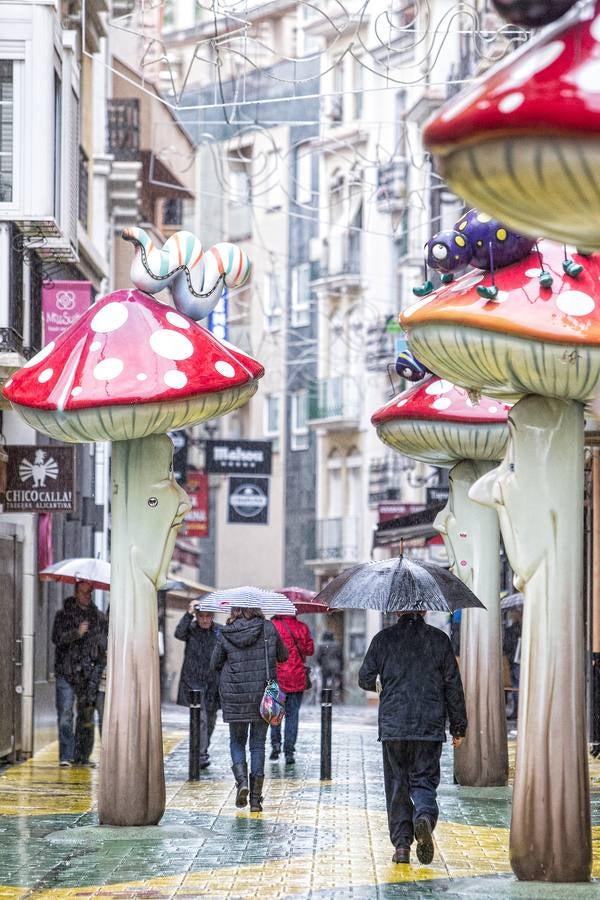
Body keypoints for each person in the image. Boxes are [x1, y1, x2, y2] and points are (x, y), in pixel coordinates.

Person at [358, 610, 467, 866]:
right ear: (425, 610)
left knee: (397, 784)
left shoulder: (383, 639)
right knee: (424, 779)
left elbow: (364, 678)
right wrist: (458, 727)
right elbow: (453, 685)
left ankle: (402, 846)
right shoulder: (439, 640)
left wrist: (380, 685)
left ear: (397, 611)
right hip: (429, 724)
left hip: (394, 725)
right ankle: (425, 817)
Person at [211, 607, 287, 813]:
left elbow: (214, 663)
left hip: (234, 693)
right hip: (261, 695)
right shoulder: (268, 628)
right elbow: (283, 655)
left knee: (237, 741)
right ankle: (255, 799)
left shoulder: (227, 631)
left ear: (235, 611)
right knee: (258, 745)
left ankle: (242, 782)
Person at [51, 579, 108, 767]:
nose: (87, 596)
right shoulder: (63, 615)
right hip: (66, 672)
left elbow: (101, 643)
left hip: (86, 674)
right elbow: (56, 638)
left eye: (89, 593)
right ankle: (66, 755)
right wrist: (77, 633)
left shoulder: (97, 617)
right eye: (83, 592)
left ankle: (82, 756)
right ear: (76, 593)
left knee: (86, 717)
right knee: (66, 715)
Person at [175, 600, 221, 768]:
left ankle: (203, 750)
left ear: (213, 617)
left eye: (208, 616)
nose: (204, 620)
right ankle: (200, 755)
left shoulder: (219, 631)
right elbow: (178, 633)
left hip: (213, 683)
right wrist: (188, 613)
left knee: (211, 719)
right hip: (194, 682)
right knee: (200, 719)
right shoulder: (191, 629)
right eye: (201, 616)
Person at [269, 614, 314, 765]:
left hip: (277, 677)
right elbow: (310, 650)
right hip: (297, 677)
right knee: (292, 716)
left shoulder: (272, 625)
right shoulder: (302, 627)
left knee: (275, 714)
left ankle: (275, 745)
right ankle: (289, 751)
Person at [315, 631, 343, 700]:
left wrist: (320, 664)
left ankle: (324, 697)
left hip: (325, 666)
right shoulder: (337, 645)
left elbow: (318, 657)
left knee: (324, 681)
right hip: (335, 666)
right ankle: (334, 696)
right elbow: (340, 656)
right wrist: (341, 666)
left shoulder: (321, 645)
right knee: (334, 681)